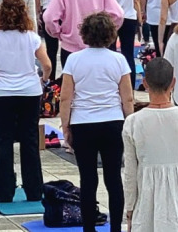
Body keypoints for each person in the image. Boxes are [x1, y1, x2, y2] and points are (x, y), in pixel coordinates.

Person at [60, 12, 134, 232]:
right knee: (114, 178)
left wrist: (66, 126)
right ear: (111, 34)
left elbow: (65, 97)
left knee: (88, 179)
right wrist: (129, 123)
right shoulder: (119, 60)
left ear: (85, 34)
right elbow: (127, 98)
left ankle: (89, 228)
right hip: (112, 122)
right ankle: (116, 228)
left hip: (83, 123)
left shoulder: (74, 60)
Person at [121, 58, 178, 232]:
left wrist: (130, 209)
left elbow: (130, 174)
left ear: (145, 83)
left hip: (147, 202)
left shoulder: (133, 123)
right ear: (173, 83)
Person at [0, 0, 51, 204]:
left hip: (2, 92)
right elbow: (47, 65)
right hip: (29, 92)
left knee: (4, 140)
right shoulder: (32, 37)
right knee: (30, 141)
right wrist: (43, 80)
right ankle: (34, 190)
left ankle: (4, 192)